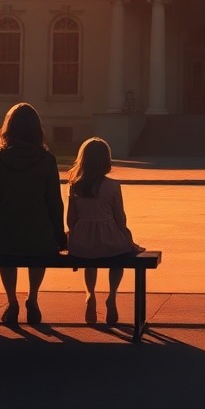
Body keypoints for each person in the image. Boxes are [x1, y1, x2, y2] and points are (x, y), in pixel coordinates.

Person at [0, 102, 65, 325]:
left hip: (5, 235)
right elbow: (54, 202)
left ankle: (12, 301)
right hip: (39, 235)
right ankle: (33, 296)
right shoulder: (46, 160)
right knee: (40, 247)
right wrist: (59, 235)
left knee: (5, 254)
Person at [65, 137, 144, 325]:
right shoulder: (113, 186)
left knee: (89, 259)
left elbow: (71, 219)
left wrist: (74, 234)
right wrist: (129, 239)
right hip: (109, 239)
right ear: (106, 161)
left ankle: (90, 295)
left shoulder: (75, 185)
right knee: (121, 254)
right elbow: (120, 218)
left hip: (82, 241)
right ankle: (112, 295)